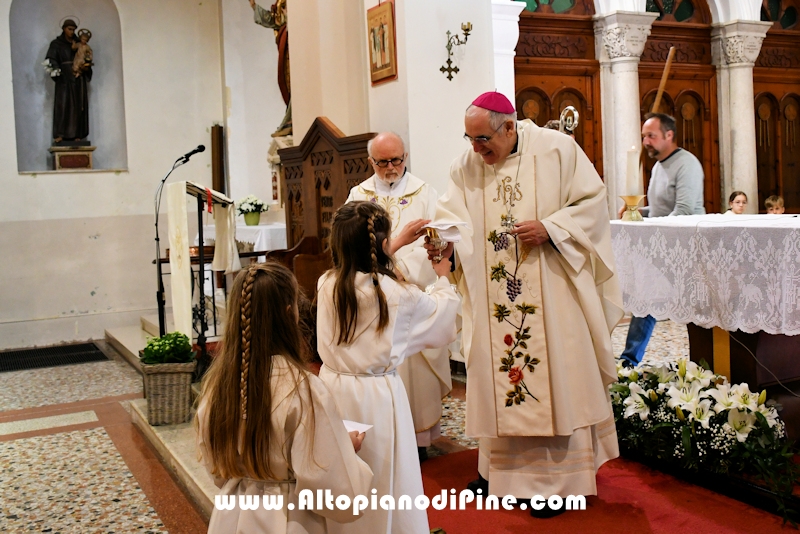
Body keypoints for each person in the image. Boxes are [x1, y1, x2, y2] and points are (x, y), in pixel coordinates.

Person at [427, 91, 623, 517]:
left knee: (553, 381)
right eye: (470, 139)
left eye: (483, 140)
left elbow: (593, 204)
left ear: (509, 127)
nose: (477, 149)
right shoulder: (467, 166)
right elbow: (453, 220)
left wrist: (552, 228)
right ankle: (497, 474)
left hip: (552, 295)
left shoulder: (557, 150)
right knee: (495, 376)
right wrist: (446, 246)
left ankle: (555, 484)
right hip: (492, 297)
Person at [196, 262, 374, 533]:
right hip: (288, 517)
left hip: (232, 515)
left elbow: (217, 468)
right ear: (289, 314)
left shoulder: (217, 386)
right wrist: (344, 449)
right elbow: (329, 486)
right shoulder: (302, 388)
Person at [317, 201, 459, 533]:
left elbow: (361, 271)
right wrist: (443, 277)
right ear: (381, 243)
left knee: (341, 476)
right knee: (383, 480)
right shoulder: (395, 293)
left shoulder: (327, 284)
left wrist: (390, 248)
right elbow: (439, 316)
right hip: (376, 396)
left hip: (331, 391)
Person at [346, 132, 452, 463]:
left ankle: (418, 443)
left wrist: (408, 265)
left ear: (406, 156)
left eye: (397, 159)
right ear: (370, 162)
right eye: (383, 162)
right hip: (372, 298)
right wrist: (391, 260)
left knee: (414, 373)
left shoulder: (425, 192)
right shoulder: (358, 195)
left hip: (410, 294)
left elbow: (436, 240)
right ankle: (378, 442)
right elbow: (350, 245)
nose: (391, 167)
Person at [617, 112, 705, 367]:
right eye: (644, 136)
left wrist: (647, 222)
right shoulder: (658, 166)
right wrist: (637, 212)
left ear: (669, 135)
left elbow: (684, 211)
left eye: (651, 136)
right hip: (664, 244)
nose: (646, 141)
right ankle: (628, 361)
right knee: (646, 301)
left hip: (686, 245)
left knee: (657, 303)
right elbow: (659, 211)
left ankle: (631, 360)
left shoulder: (686, 164)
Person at [45, 19, 92, 143]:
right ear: (64, 29)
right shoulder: (56, 44)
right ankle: (60, 134)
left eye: (73, 29)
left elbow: (86, 56)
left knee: (78, 106)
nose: (72, 32)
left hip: (78, 79)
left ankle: (78, 134)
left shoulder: (80, 43)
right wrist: (57, 71)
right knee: (63, 106)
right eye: (69, 29)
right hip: (64, 80)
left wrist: (85, 66)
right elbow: (50, 59)